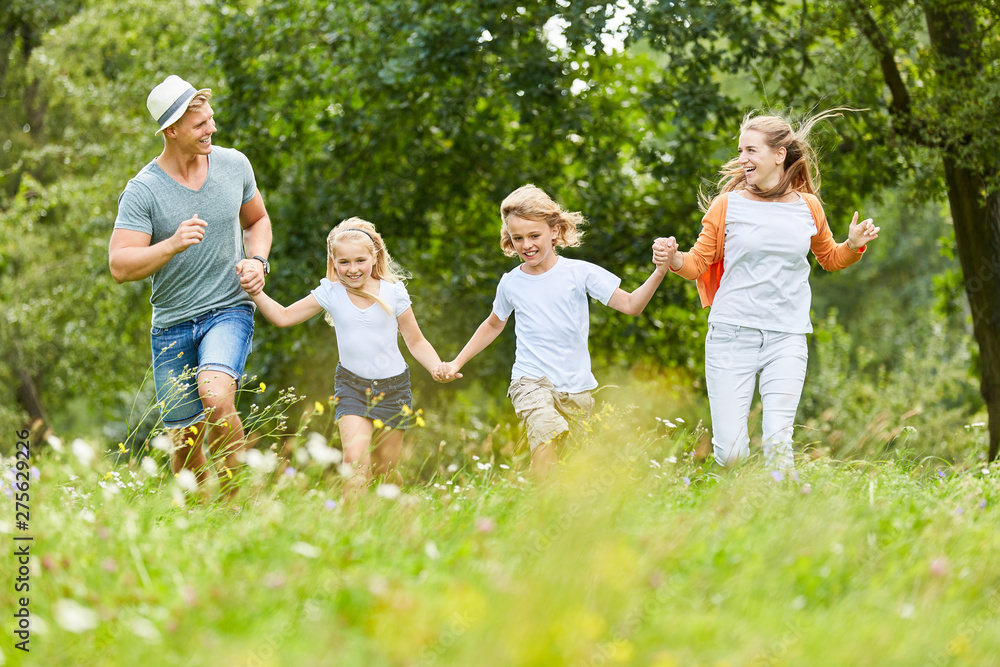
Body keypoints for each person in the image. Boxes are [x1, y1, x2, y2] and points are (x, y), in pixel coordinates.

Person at [653, 109, 881, 471]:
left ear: (778, 155)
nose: (742, 159)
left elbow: (831, 259)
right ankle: (744, 512)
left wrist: (852, 244)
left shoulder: (809, 206)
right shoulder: (726, 205)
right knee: (730, 453)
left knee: (779, 442)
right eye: (740, 150)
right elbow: (697, 263)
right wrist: (672, 257)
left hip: (787, 335)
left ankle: (784, 518)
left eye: (750, 151)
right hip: (731, 333)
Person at [437, 184, 674, 476]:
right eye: (518, 238)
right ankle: (541, 507)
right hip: (530, 380)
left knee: (572, 466)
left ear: (554, 230)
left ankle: (556, 512)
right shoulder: (511, 283)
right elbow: (492, 325)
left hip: (576, 387)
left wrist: (660, 271)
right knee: (545, 435)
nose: (526, 245)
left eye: (534, 235)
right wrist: (457, 362)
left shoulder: (578, 273)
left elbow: (630, 305)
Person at [110, 75, 273, 495]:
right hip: (172, 325)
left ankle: (239, 504)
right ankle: (203, 514)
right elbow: (120, 265)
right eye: (200, 124)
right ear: (172, 130)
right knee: (184, 444)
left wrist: (257, 260)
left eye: (211, 119)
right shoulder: (143, 190)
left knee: (216, 398)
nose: (211, 129)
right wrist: (171, 245)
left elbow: (256, 220)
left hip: (229, 308)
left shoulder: (234, 164)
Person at [245, 218, 445, 496]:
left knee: (384, 472)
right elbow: (283, 316)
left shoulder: (394, 292)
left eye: (360, 260)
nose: (352, 269)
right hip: (351, 387)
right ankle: (351, 529)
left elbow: (416, 340)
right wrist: (255, 291)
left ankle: (394, 515)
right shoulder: (331, 292)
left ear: (374, 257)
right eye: (344, 262)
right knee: (355, 466)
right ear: (334, 261)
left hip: (394, 389)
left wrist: (436, 366)